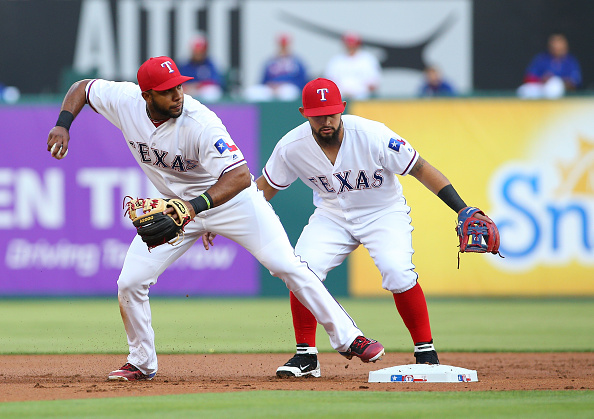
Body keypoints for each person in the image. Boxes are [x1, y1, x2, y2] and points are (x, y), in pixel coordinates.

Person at [46, 57, 384, 381]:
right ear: (146, 95)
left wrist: (195, 207)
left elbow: (239, 176)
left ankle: (348, 337)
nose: (177, 94)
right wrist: (63, 124)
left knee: (287, 265)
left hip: (232, 202)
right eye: (167, 90)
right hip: (175, 207)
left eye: (179, 86)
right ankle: (141, 362)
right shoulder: (124, 100)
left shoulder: (199, 121)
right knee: (130, 283)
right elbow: (82, 87)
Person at [206, 78, 497, 378]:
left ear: (342, 108)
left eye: (332, 112)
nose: (326, 120)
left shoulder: (373, 135)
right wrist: (223, 214)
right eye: (318, 115)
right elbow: (263, 188)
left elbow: (420, 168)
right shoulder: (292, 146)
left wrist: (461, 208)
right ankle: (306, 357)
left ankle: (425, 351)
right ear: (304, 113)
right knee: (301, 268)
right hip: (332, 216)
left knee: (397, 271)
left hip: (383, 212)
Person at [244, 33, 308, 101]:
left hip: (288, 88)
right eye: (281, 45)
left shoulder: (297, 62)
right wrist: (271, 85)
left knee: (288, 93)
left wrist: (283, 84)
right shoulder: (270, 62)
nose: (283, 48)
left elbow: (302, 81)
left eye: (285, 46)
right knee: (251, 92)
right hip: (271, 89)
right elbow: (263, 81)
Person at [517, 33, 582, 99]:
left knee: (554, 84)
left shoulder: (570, 61)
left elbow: (574, 83)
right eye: (554, 46)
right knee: (523, 90)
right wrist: (543, 79)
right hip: (542, 88)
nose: (556, 48)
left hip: (562, 91)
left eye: (559, 46)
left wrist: (559, 81)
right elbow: (529, 77)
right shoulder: (542, 58)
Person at [324, 32, 382, 100]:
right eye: (348, 44)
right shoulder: (336, 61)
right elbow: (329, 82)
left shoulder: (368, 59)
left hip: (362, 99)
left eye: (353, 44)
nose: (351, 47)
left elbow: (374, 82)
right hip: (341, 99)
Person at [177, 35, 224, 102]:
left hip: (204, 94)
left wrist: (199, 85)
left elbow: (216, 81)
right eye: (196, 51)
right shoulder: (185, 66)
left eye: (200, 51)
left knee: (212, 92)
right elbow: (180, 83)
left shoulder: (210, 64)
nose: (198, 54)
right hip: (190, 94)